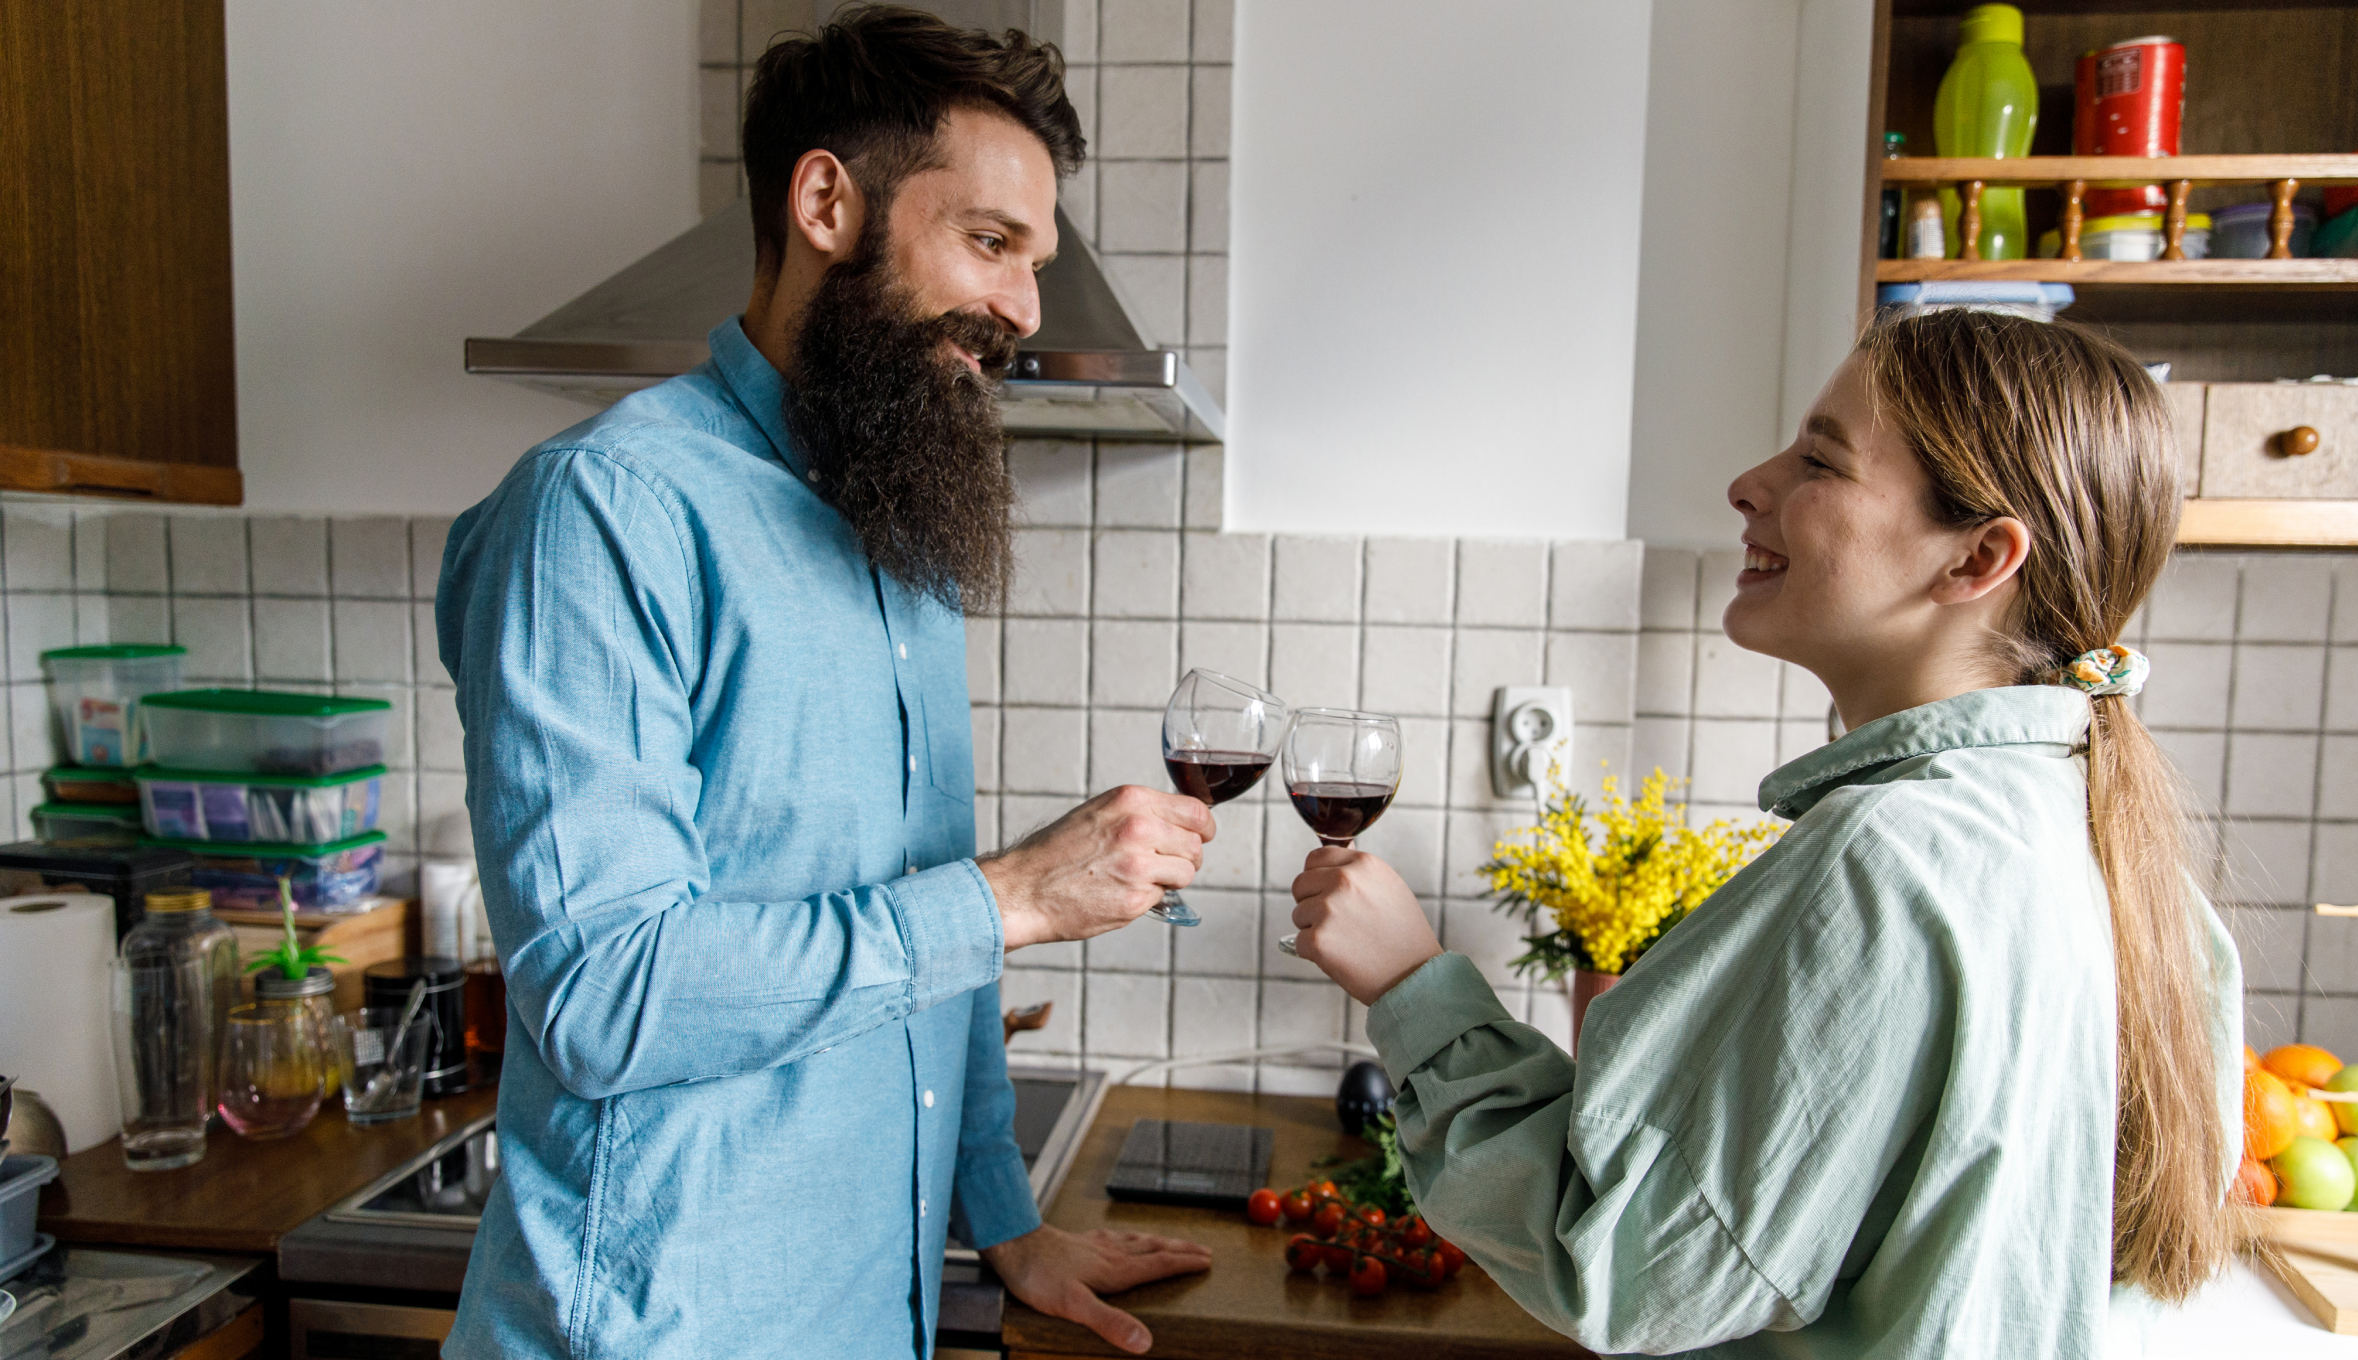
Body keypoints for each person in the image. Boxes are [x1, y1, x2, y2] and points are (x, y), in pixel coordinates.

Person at [436, 10, 1212, 1357]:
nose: (1026, 308)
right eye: (990, 242)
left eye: (1035, 260)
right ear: (825, 203)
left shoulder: (894, 516)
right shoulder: (603, 512)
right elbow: (603, 997)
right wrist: (1013, 895)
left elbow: (939, 955)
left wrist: (1004, 1215)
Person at [1285, 309, 2247, 1357]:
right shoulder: (2119, 854)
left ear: (1979, 557)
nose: (1751, 481)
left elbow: (1618, 1262)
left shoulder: (1890, 857)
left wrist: (1414, 984)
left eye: (1819, 460)